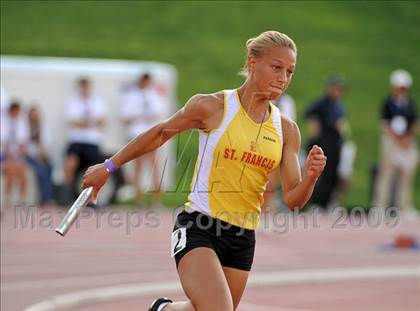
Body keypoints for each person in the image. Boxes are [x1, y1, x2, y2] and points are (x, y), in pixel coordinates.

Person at [81, 31, 326, 311]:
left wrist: (311, 178)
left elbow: (294, 200)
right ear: (252, 62)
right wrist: (110, 166)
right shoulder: (213, 107)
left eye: (290, 71)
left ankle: (162, 309)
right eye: (276, 67)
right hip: (200, 227)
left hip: (243, 237)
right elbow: (161, 133)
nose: (283, 78)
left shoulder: (287, 130)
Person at [374, 69, 418, 214]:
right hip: (391, 141)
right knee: (386, 174)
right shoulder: (388, 103)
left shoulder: (410, 104)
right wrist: (397, 138)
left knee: (406, 175)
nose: (401, 90)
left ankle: (405, 207)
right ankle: (380, 207)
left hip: (407, 142)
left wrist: (406, 139)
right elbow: (384, 124)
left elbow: (414, 124)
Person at [305, 74, 347, 209]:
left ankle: (326, 203)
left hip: (335, 144)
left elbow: (341, 124)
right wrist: (315, 131)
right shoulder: (321, 103)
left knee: (332, 174)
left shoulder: (339, 106)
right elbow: (310, 115)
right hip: (322, 143)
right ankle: (315, 203)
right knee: (317, 175)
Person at [120, 73, 162, 203]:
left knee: (154, 165)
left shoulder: (152, 95)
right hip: (136, 133)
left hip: (149, 133)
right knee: (138, 166)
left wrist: (141, 116)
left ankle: (156, 199)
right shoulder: (131, 95)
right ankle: (139, 198)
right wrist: (141, 116)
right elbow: (125, 115)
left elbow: (156, 113)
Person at [63, 77, 106, 200]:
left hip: (92, 140)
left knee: (94, 169)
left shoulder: (97, 101)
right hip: (77, 140)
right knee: (70, 164)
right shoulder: (73, 101)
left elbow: (102, 120)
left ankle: (91, 197)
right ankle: (69, 195)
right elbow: (73, 121)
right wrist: (91, 122)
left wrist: (84, 123)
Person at [1, 101, 29, 206]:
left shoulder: (22, 124)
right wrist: (10, 156)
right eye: (13, 111)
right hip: (6, 155)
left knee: (22, 171)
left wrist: (18, 156)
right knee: (10, 170)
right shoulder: (4, 123)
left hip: (18, 156)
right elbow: (4, 143)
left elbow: (23, 143)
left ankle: (22, 199)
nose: (15, 113)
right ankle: (7, 198)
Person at [25, 105, 53, 205]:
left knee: (50, 167)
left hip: (41, 156)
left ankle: (48, 197)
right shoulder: (25, 127)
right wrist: (37, 156)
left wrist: (43, 154)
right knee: (41, 170)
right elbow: (24, 147)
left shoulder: (43, 127)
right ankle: (44, 199)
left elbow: (47, 143)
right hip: (29, 156)